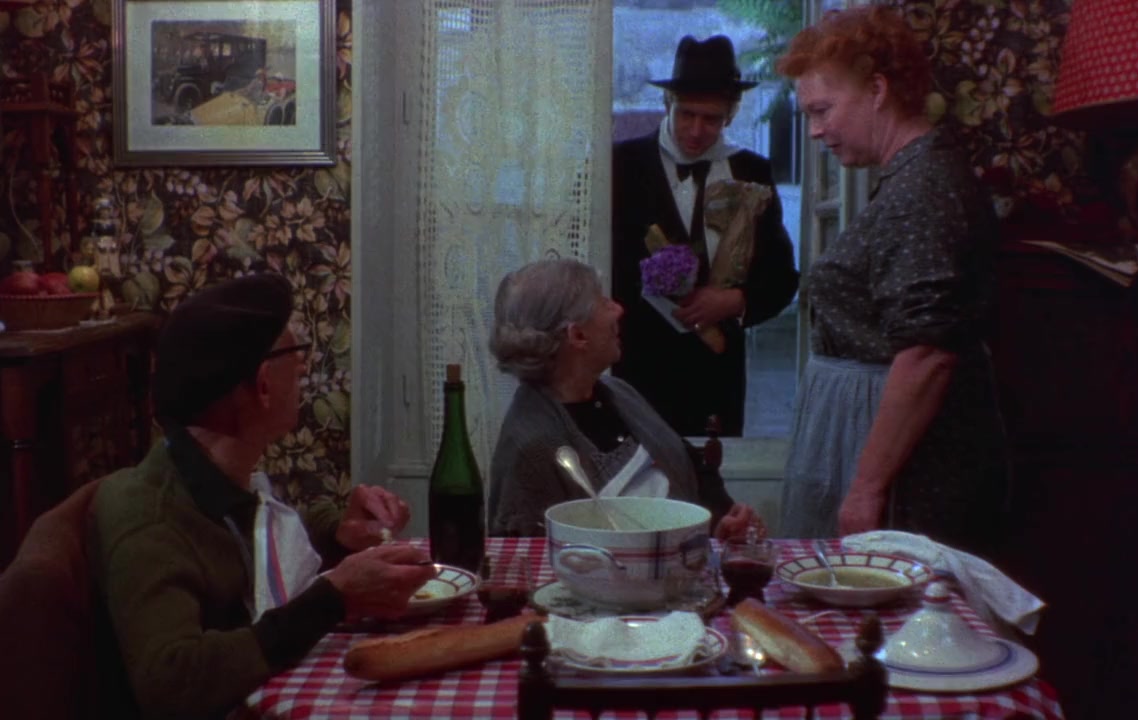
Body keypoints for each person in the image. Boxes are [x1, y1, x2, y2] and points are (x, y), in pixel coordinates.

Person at [88, 274, 436, 719]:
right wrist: (333, 599)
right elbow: (171, 681)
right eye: (296, 353)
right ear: (264, 383)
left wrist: (339, 536)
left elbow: (245, 548)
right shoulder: (149, 518)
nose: (304, 368)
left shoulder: (214, 483)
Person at [776, 6, 1009, 554]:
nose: (815, 131)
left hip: (915, 467)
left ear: (877, 90)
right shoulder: (911, 177)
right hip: (879, 437)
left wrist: (866, 487)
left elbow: (928, 352)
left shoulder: (923, 187)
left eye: (823, 110)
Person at [487, 258, 763, 539]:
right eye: (603, 302)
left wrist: (723, 520)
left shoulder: (618, 392)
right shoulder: (531, 445)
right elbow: (529, 554)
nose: (618, 309)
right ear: (578, 335)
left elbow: (686, 462)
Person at [611, 34, 800, 437]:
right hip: (637, 371)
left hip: (716, 379)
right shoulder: (619, 165)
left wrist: (736, 300)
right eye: (687, 114)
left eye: (711, 119)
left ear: (731, 114)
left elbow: (782, 276)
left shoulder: (752, 172)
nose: (697, 130)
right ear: (668, 103)